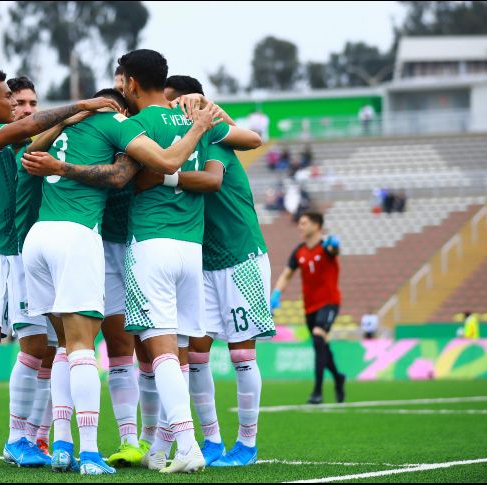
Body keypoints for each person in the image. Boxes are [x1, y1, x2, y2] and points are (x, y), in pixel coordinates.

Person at [22, 49, 261, 474]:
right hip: (193, 251)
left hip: (149, 246)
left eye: (120, 84)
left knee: (156, 351)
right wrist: (206, 116)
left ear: (131, 83)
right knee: (182, 352)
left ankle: (184, 445)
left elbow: (129, 174)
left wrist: (69, 136)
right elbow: (249, 140)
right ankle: (165, 444)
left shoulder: (131, 125)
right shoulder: (193, 118)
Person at [0, 70, 122, 474]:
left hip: (16, 254)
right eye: (8, 99)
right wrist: (83, 106)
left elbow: (36, 138)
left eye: (25, 102)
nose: (17, 106)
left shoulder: (19, 146)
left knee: (35, 344)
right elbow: (31, 127)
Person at [162, 75, 274, 468]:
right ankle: (210, 441)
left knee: (242, 352)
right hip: (202, 260)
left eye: (176, 103)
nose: (170, 110)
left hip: (240, 255)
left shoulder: (215, 139)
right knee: (196, 353)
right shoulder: (173, 144)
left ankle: (246, 445)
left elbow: (213, 178)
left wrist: (162, 175)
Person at [1, 75, 56, 468]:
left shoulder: (47, 141)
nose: (28, 110)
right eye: (20, 103)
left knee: (55, 352)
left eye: (33, 103)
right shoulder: (14, 144)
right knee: (34, 348)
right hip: (21, 256)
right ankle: (15, 436)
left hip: (53, 256)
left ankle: (38, 436)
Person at [271, 211, 346, 405]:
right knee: (320, 344)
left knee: (319, 335)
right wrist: (276, 294)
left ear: (316, 225)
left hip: (329, 302)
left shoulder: (327, 246)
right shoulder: (299, 251)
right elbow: (287, 275)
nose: (300, 226)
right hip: (309, 306)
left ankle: (317, 391)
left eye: (304, 223)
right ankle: (338, 377)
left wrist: (336, 246)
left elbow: (334, 251)